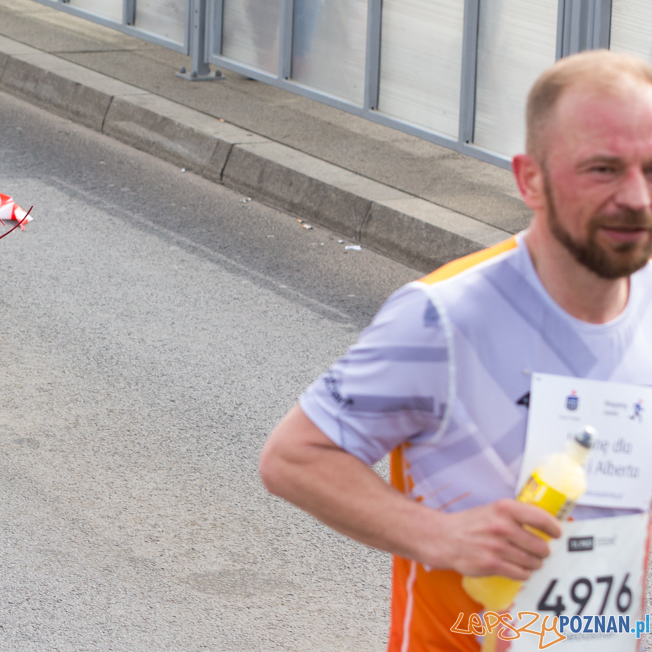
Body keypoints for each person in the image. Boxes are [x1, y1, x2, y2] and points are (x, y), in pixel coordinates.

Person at [261, 50, 652, 649]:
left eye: (650, 170)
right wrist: (440, 536)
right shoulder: (445, 317)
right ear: (530, 179)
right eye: (602, 169)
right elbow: (294, 457)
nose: (636, 197)